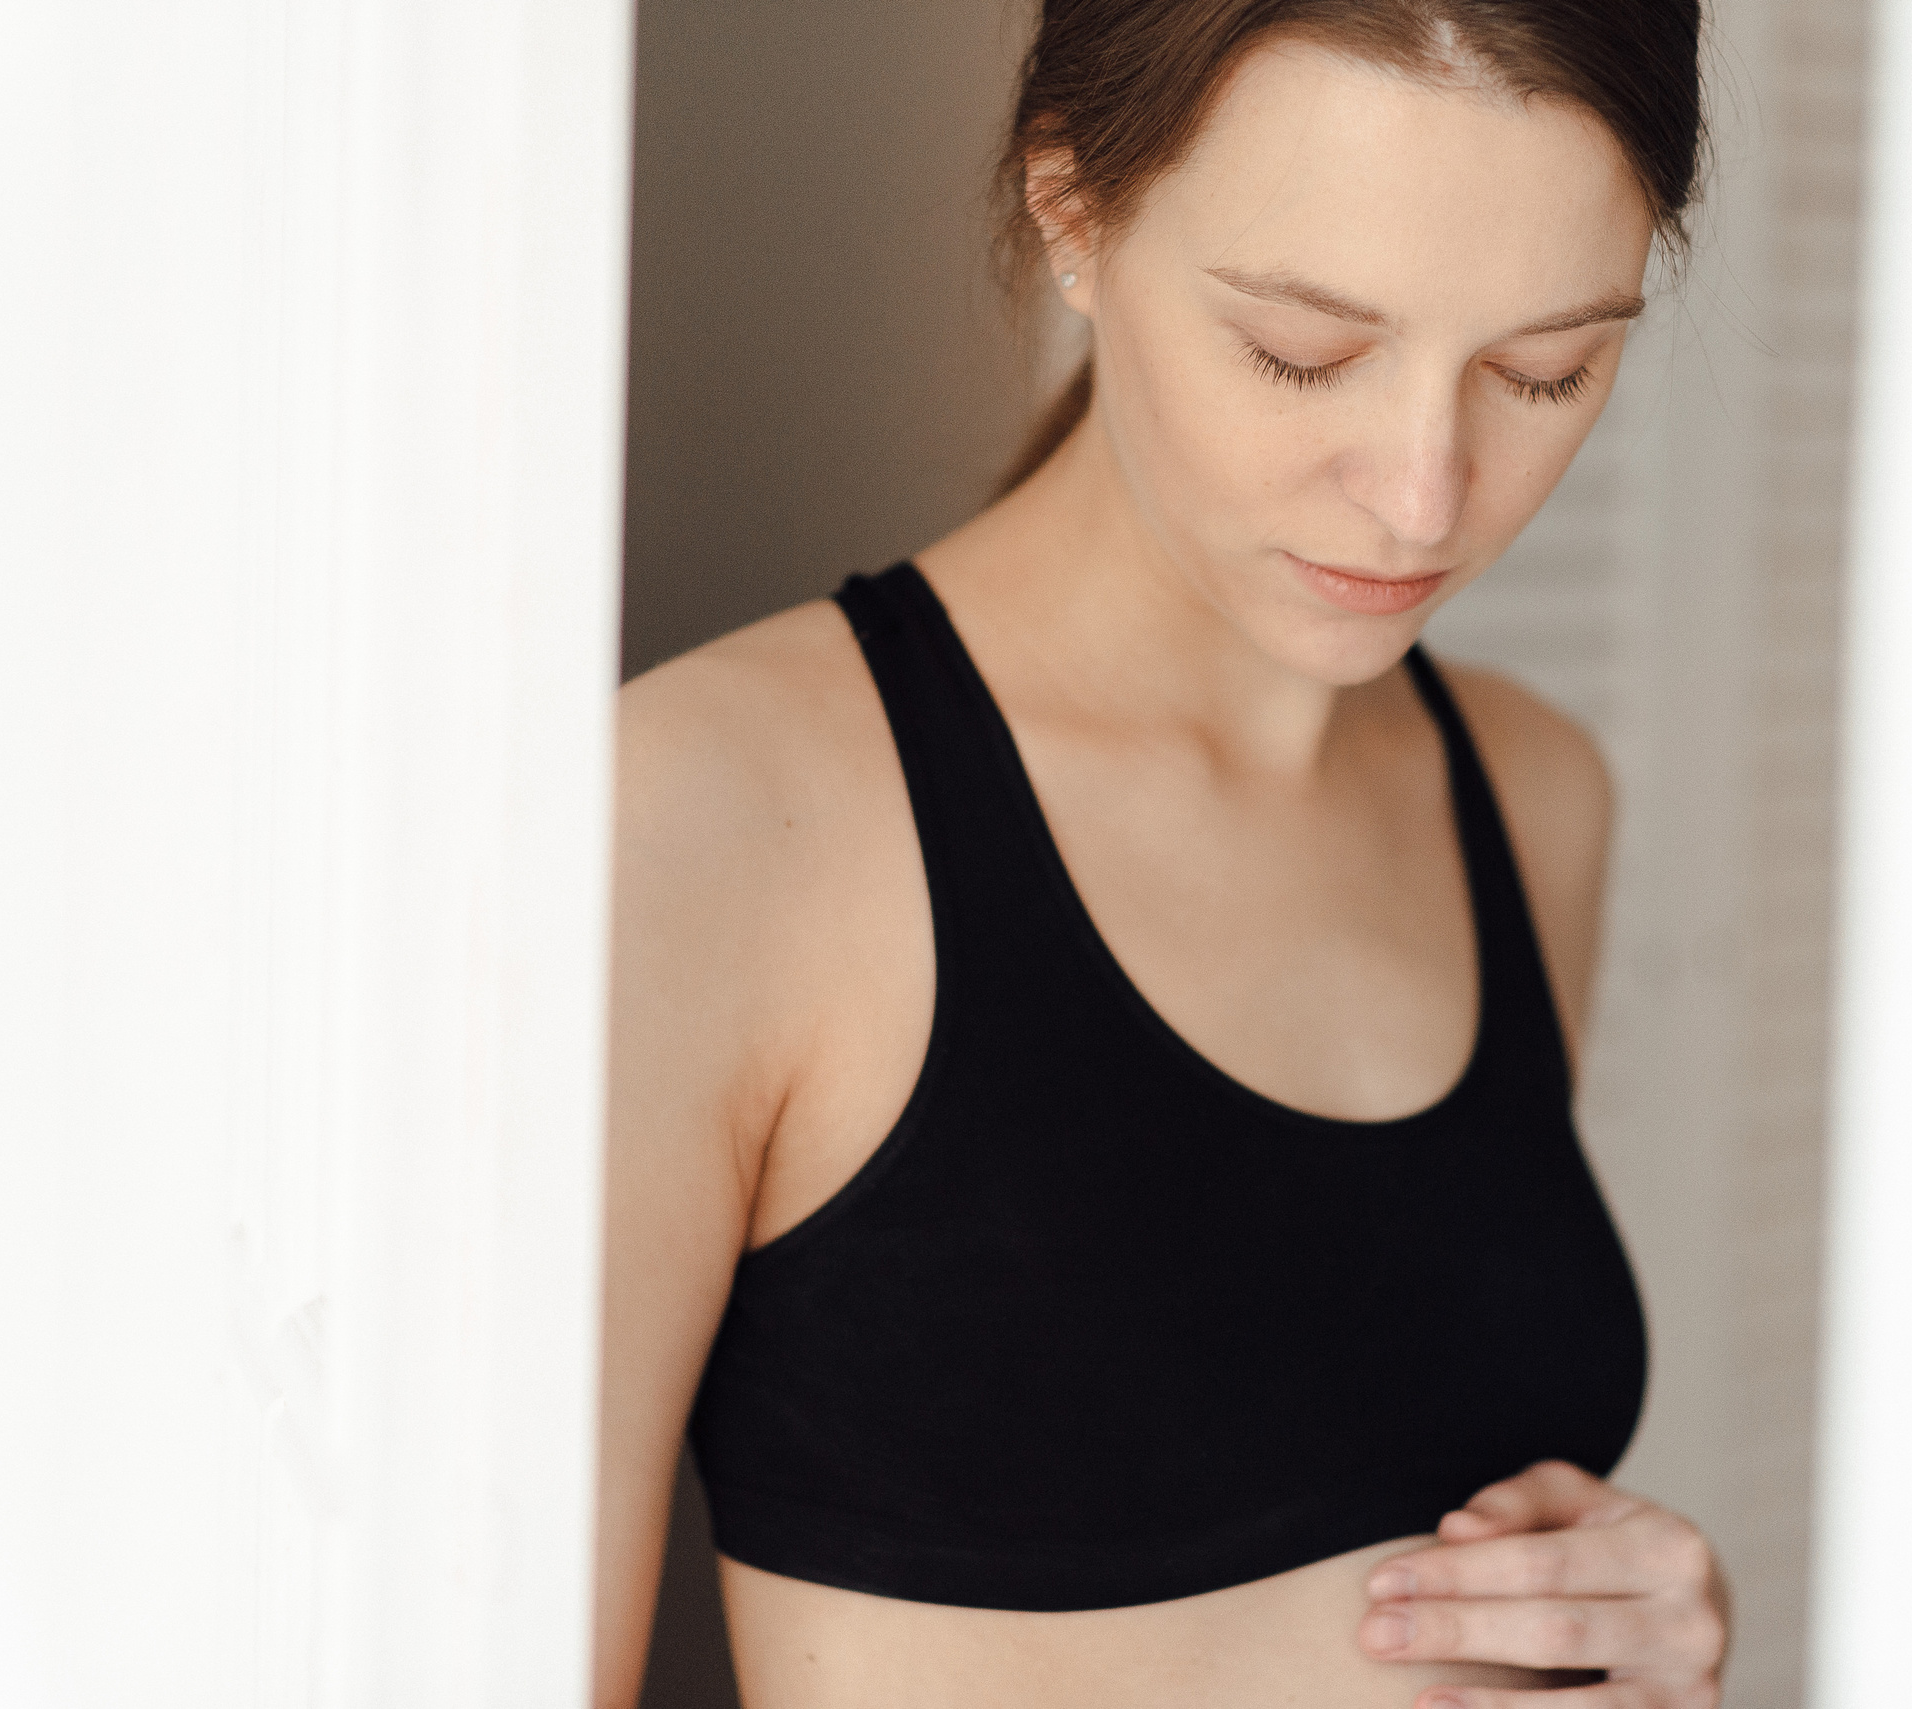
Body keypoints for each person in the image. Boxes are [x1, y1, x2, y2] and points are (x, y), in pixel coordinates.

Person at [597, 3, 1730, 1705]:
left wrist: (1636, 1638)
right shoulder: (713, 823)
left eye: (1545, 367)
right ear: (1072, 207)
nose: (1425, 496)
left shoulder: (1532, 794)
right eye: (1302, 349)